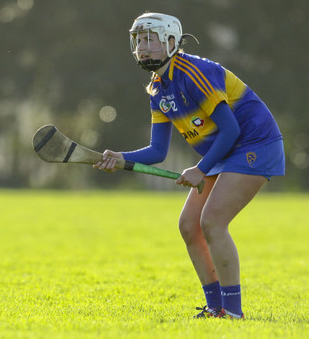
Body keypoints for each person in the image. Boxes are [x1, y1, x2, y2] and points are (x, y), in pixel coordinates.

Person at [94, 12, 285, 319]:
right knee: (188, 226)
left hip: (255, 144)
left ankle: (233, 311)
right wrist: (122, 159)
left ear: (171, 41)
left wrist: (200, 168)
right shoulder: (157, 88)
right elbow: (158, 150)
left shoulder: (194, 72)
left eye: (149, 40)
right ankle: (215, 307)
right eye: (138, 40)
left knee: (211, 222)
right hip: (224, 151)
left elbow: (232, 130)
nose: (142, 47)